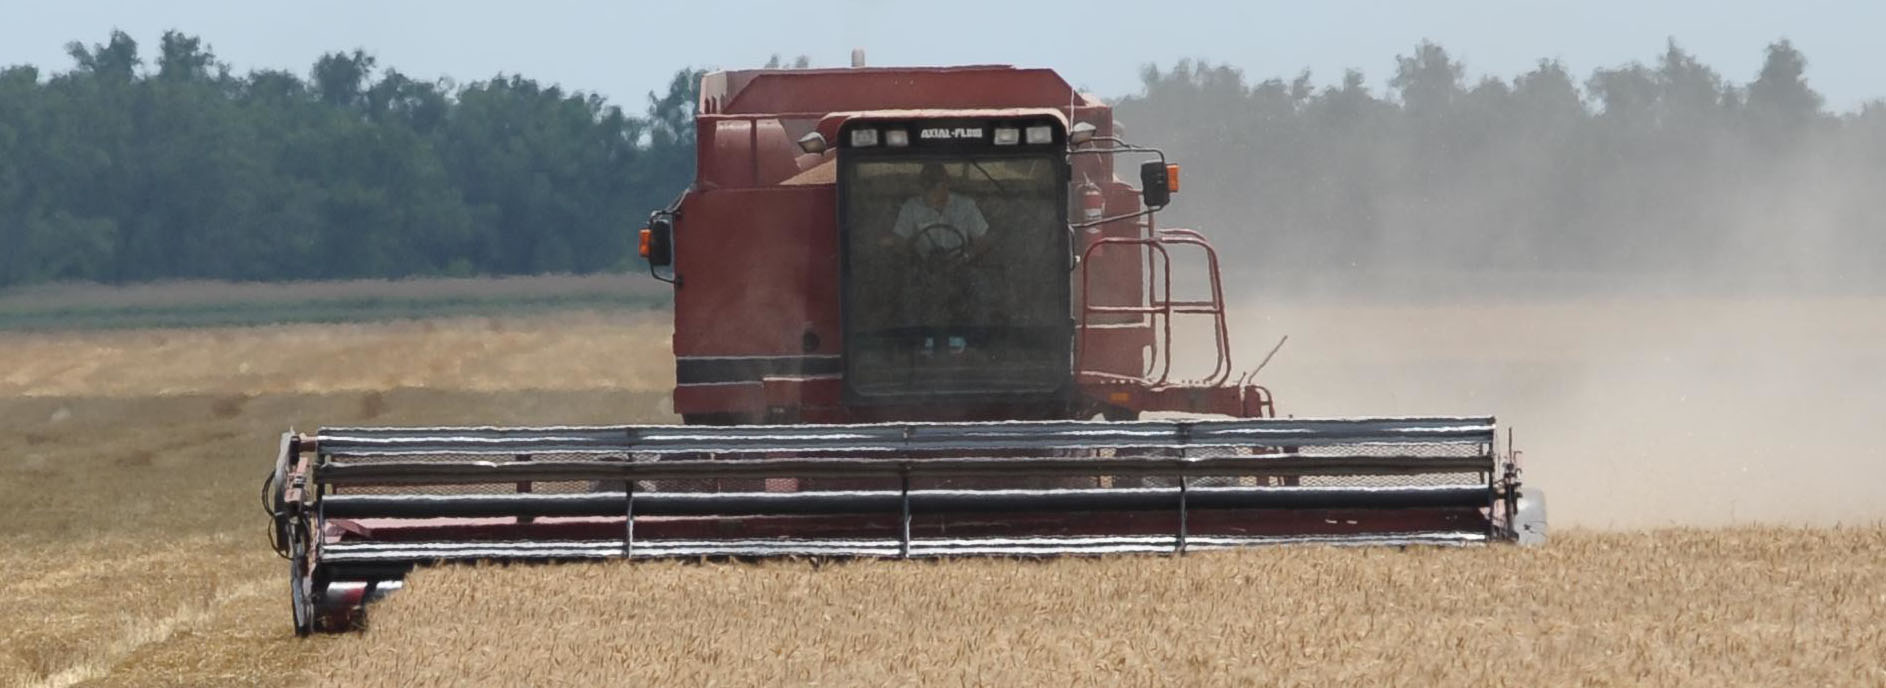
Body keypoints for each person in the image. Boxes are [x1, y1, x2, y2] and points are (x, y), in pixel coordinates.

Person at [889, 163, 989, 255]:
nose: (929, 193)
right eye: (925, 187)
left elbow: (981, 241)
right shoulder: (911, 207)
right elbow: (899, 240)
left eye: (934, 187)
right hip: (924, 268)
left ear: (946, 185)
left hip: (960, 268)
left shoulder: (966, 205)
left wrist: (964, 258)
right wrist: (913, 260)